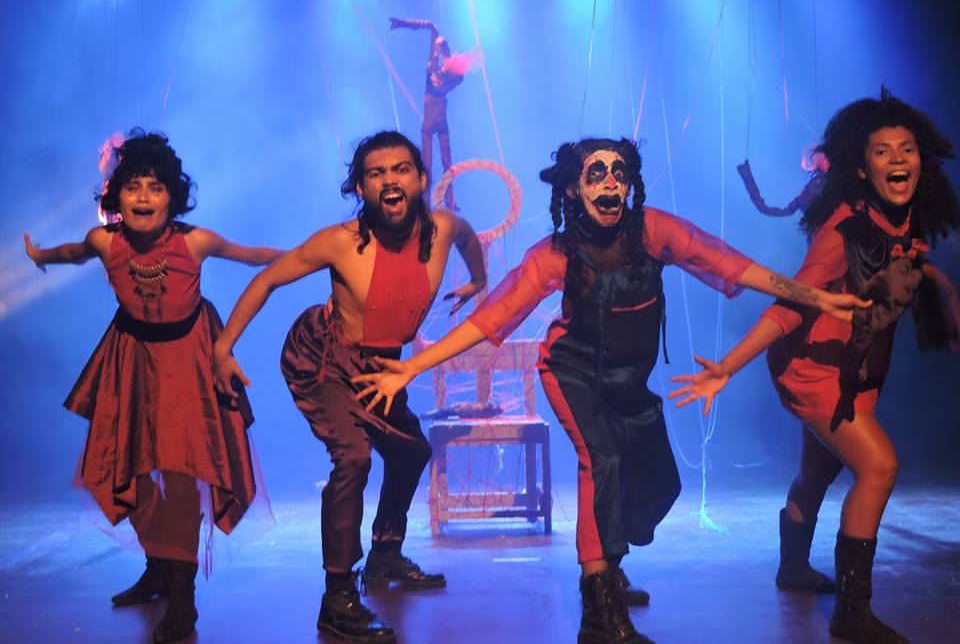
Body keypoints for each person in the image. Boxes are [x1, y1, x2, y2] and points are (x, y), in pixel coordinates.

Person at [350, 137, 869, 644]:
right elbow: (490, 319)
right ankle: (599, 610)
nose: (609, 184)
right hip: (572, 373)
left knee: (660, 484)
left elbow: (727, 263)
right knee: (601, 464)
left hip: (629, 380)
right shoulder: (555, 254)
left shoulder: (654, 231)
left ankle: (610, 560)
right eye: (596, 174)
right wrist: (410, 367)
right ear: (573, 189)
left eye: (619, 174)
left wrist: (813, 296)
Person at [671, 89, 960, 644]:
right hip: (813, 368)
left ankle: (793, 568)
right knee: (879, 467)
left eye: (906, 149)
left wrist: (940, 286)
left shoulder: (906, 218)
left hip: (856, 369)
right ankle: (852, 613)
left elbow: (903, 264)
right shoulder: (843, 230)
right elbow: (791, 303)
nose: (898, 159)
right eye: (882, 151)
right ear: (861, 166)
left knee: (819, 471)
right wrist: (727, 366)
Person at [213, 130, 486, 643]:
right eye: (376, 173)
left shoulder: (444, 228)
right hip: (324, 358)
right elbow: (268, 279)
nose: (390, 180)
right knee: (354, 458)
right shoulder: (340, 241)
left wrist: (478, 279)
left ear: (420, 179)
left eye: (400, 169)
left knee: (410, 451)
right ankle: (337, 597)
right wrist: (223, 347)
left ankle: (384, 555)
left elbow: (469, 238)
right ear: (361, 188)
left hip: (384, 368)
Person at [23, 129, 282, 644]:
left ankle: (183, 602)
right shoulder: (105, 242)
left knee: (183, 478)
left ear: (172, 197)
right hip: (132, 360)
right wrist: (41, 256)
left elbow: (250, 253)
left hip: (190, 361)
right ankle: (158, 567)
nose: (143, 196)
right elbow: (74, 251)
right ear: (116, 197)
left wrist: (311, 254)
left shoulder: (195, 241)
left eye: (155, 187)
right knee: (133, 473)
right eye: (133, 186)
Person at [389, 17, 479, 210]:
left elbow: (445, 76)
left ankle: (450, 201)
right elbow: (431, 27)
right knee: (427, 166)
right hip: (430, 127)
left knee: (447, 165)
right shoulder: (435, 67)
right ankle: (425, 204)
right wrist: (403, 23)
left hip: (439, 123)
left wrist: (442, 56)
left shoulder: (449, 78)